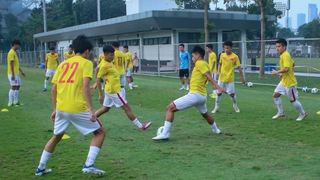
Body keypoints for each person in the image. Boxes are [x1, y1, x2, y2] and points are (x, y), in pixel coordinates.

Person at [35, 35, 106, 176]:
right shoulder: (86, 63)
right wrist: (91, 109)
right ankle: (89, 164)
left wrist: (55, 109)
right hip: (78, 108)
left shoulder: (63, 64)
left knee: (56, 137)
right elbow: (86, 86)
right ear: (87, 51)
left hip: (61, 108)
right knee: (100, 133)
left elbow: (54, 89)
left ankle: (40, 167)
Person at [152, 45, 226, 140]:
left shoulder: (200, 63)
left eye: (193, 56)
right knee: (205, 114)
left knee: (170, 108)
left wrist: (218, 86)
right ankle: (216, 130)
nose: (192, 58)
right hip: (202, 96)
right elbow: (207, 74)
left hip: (195, 95)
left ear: (198, 55)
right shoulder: (205, 64)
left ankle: (165, 133)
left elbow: (208, 75)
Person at [94, 45, 152, 130]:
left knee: (105, 109)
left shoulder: (106, 61)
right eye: (111, 55)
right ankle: (141, 126)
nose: (113, 57)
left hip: (110, 89)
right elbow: (98, 78)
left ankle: (89, 120)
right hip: (114, 91)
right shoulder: (104, 65)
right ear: (105, 54)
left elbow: (96, 70)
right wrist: (100, 94)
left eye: (113, 55)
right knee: (127, 107)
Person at [271, 38, 308, 121]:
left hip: (290, 83)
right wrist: (282, 74)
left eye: (279, 46)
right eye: (276, 46)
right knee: (275, 95)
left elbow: (287, 68)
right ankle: (281, 112)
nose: (277, 48)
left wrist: (277, 72)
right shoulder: (283, 55)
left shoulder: (286, 55)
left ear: (284, 47)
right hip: (284, 81)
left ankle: (303, 113)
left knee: (293, 100)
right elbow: (293, 64)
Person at [212, 41, 245, 114]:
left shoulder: (235, 57)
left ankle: (235, 105)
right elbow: (219, 64)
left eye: (228, 48)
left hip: (230, 78)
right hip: (221, 77)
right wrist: (218, 71)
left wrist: (242, 78)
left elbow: (239, 68)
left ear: (231, 48)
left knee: (232, 94)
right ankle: (216, 108)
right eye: (225, 48)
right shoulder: (222, 55)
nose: (226, 50)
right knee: (219, 93)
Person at [7, 39, 26, 107]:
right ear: (15, 44)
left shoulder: (14, 52)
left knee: (18, 86)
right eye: (18, 45)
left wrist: (21, 71)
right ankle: (10, 102)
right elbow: (11, 64)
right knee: (13, 87)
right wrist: (12, 74)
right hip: (13, 73)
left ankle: (16, 101)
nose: (19, 47)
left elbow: (16, 64)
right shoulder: (11, 52)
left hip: (16, 73)